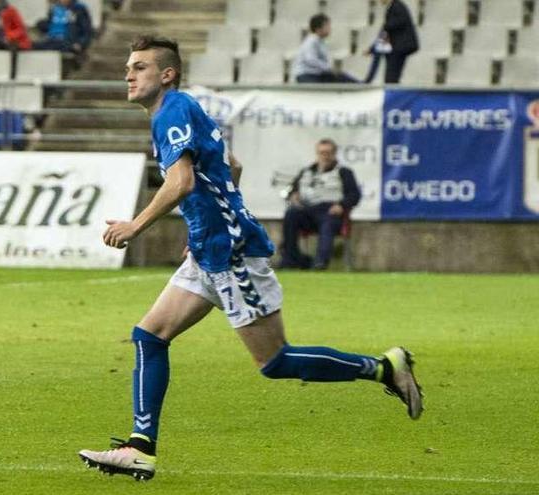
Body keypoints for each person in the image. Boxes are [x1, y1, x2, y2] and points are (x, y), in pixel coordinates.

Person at [77, 35, 423, 482]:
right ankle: (140, 447)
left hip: (232, 253)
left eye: (139, 66)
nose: (128, 74)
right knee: (149, 336)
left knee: (275, 362)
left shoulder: (174, 112)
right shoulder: (178, 110)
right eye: (128, 66)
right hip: (210, 248)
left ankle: (383, 368)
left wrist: (135, 225)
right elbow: (231, 164)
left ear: (167, 74)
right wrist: (204, 225)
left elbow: (181, 182)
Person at [278, 139, 361, 270]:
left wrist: (342, 205)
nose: (325, 156)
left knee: (328, 223)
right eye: (321, 153)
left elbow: (354, 195)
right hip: (307, 210)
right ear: (317, 154)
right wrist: (294, 196)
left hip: (330, 211)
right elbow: (293, 190)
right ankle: (290, 259)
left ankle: (320, 263)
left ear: (334, 154)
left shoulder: (344, 172)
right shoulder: (306, 171)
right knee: (291, 214)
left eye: (328, 153)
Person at [292, 13, 358, 83]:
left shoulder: (321, 42)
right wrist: (329, 68)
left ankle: (360, 84)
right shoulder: (312, 41)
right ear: (318, 29)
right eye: (327, 26)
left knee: (341, 76)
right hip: (306, 75)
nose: (330, 28)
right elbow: (311, 60)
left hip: (317, 74)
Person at [364, 0, 418, 84]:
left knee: (391, 78)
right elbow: (385, 32)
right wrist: (372, 48)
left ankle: (393, 93)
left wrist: (386, 25)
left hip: (400, 47)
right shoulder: (392, 7)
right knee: (391, 78)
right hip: (397, 48)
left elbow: (401, 20)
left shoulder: (397, 6)